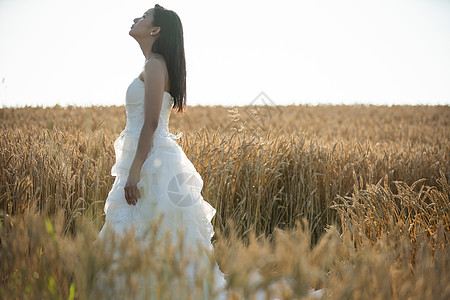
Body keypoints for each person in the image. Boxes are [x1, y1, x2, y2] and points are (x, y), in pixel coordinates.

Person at [94, 4, 227, 299]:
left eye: (143, 17)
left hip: (151, 163)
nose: (135, 19)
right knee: (149, 233)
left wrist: (134, 171)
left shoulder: (154, 65)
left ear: (155, 30)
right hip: (152, 158)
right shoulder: (154, 64)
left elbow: (152, 122)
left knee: (149, 231)